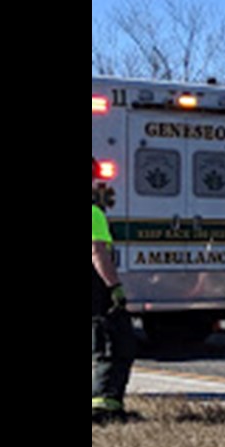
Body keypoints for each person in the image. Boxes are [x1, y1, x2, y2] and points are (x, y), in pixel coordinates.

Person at [92, 158, 137, 422]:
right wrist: (115, 287)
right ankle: (104, 408)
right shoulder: (94, 213)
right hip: (96, 289)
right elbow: (97, 252)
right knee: (115, 345)